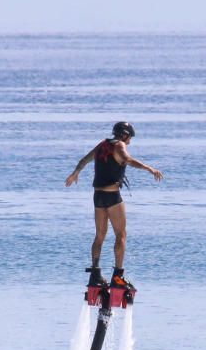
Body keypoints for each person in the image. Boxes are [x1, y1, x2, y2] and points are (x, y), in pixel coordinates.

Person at [65, 121, 164, 288]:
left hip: (98, 197)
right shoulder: (120, 146)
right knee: (121, 235)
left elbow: (83, 160)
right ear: (125, 135)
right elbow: (128, 160)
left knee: (100, 235)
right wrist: (150, 169)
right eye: (130, 137)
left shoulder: (101, 145)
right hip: (112, 197)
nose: (130, 140)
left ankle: (95, 275)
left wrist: (75, 173)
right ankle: (118, 277)